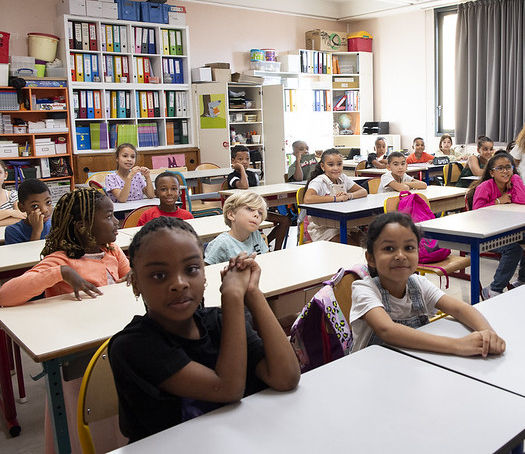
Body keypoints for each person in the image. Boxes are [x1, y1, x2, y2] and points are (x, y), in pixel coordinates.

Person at [109, 217, 300, 443]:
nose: (179, 283)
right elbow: (228, 389)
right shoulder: (133, 345)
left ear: (204, 274)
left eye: (191, 269)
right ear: (136, 283)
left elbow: (287, 377)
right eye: (159, 275)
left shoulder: (219, 321)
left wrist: (253, 293)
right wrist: (232, 296)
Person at [0, 187, 128, 454]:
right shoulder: (60, 260)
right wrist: (60, 272)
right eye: (108, 216)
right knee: (85, 424)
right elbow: (6, 294)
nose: (116, 222)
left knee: (117, 419)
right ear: (83, 227)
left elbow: (128, 279)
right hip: (77, 361)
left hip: (111, 346)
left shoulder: (112, 250)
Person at [349, 211, 506, 355]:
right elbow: (387, 330)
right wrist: (457, 345)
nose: (400, 255)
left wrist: (489, 334)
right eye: (389, 248)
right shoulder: (364, 289)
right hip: (374, 368)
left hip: (413, 361)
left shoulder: (418, 284)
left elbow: (460, 309)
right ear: (371, 258)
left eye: (409, 247)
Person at [468, 152, 525, 299]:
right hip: (484, 233)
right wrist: (498, 201)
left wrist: (516, 178)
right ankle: (493, 289)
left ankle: (522, 279)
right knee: (514, 250)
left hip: (504, 230)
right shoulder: (485, 187)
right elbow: (476, 212)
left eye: (508, 167)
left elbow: (524, 200)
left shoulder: (512, 184)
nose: (505, 171)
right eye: (500, 168)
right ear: (492, 172)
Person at [226, 145, 290, 250]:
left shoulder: (253, 174)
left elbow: (257, 193)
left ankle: (274, 248)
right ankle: (263, 246)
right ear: (233, 161)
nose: (245, 162)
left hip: (256, 211)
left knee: (285, 220)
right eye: (240, 159)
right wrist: (241, 169)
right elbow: (244, 186)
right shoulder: (232, 177)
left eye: (247, 159)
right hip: (242, 213)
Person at [303, 148, 368, 244]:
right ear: (322, 166)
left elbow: (363, 191)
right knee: (353, 248)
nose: (336, 168)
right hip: (322, 227)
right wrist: (335, 198)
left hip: (344, 224)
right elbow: (307, 198)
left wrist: (349, 195)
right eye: (330, 165)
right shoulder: (319, 181)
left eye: (339, 164)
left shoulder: (343, 178)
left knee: (367, 244)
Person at [204, 191, 270, 265]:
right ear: (231, 215)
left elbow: (266, 260)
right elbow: (206, 272)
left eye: (260, 213)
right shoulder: (222, 243)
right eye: (250, 209)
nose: (256, 215)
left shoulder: (255, 234)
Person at [4, 179, 52, 244]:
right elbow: (30, 253)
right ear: (21, 207)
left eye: (48, 202)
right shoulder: (13, 231)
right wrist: (36, 230)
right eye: (35, 206)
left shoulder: (56, 226)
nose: (44, 210)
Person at [0, 160, 25, 225]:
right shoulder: (10, 211)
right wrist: (10, 212)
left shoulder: (12, 195)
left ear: (5, 175)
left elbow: (23, 216)